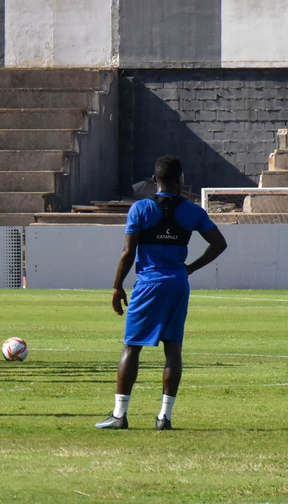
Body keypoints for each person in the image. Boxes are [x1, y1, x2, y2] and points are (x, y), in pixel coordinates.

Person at [97, 156, 228, 430]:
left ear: (154, 179)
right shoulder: (193, 212)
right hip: (178, 284)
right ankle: (164, 418)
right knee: (173, 348)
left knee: (132, 347)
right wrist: (190, 268)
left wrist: (117, 286)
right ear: (181, 180)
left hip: (148, 284)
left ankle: (119, 415)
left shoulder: (140, 209)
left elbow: (128, 252)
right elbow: (219, 243)